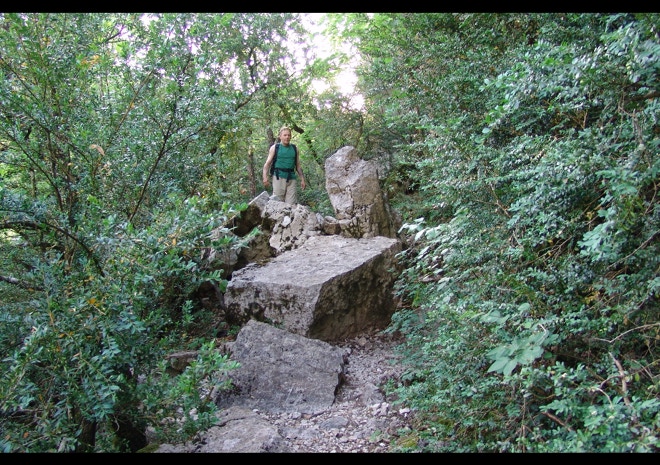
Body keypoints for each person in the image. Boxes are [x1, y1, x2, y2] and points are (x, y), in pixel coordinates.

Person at [262, 126, 306, 204]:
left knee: (291, 204)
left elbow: (298, 165)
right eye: (285, 135)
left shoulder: (295, 148)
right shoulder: (275, 148)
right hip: (278, 177)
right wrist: (265, 177)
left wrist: (302, 179)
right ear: (280, 136)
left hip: (291, 179)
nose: (287, 137)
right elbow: (267, 164)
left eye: (289, 135)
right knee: (278, 203)